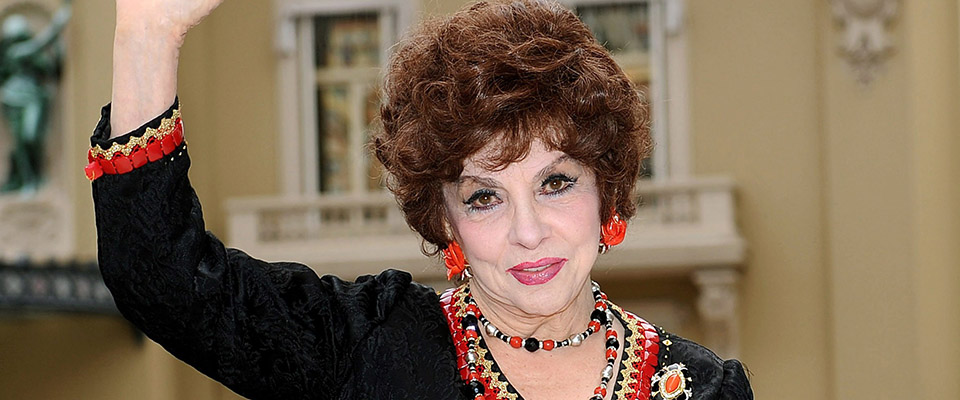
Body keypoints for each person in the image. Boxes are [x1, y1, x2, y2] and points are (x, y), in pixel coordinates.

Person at [87, 0, 753, 399]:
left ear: (607, 187)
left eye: (555, 183)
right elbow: (167, 282)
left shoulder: (706, 388)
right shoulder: (375, 346)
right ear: (443, 217)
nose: (529, 233)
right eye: (486, 197)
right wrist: (149, 34)